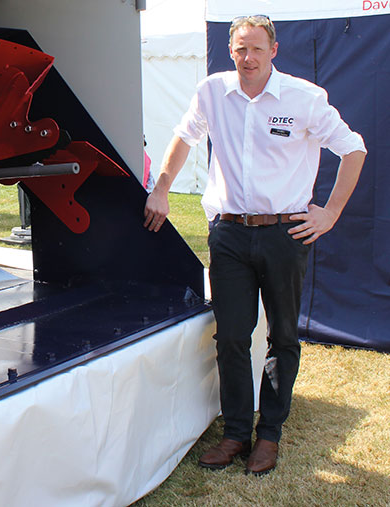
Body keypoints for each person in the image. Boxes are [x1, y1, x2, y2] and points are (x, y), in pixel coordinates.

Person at [143, 15, 366, 476]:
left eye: (256, 49)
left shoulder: (304, 98)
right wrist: (162, 188)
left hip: (285, 235)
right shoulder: (212, 92)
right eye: (240, 48)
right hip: (228, 234)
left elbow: (354, 148)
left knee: (283, 336)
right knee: (231, 337)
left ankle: (270, 436)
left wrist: (330, 213)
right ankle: (236, 433)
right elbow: (183, 137)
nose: (248, 58)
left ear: (274, 51)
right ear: (231, 50)